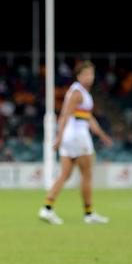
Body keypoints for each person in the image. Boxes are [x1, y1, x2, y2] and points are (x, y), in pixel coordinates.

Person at [39, 61, 113, 225]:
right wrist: (58, 137)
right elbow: (65, 115)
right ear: (79, 76)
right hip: (77, 137)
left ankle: (47, 208)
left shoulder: (81, 93)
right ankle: (88, 213)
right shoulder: (78, 93)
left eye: (91, 74)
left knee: (65, 174)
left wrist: (101, 135)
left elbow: (88, 117)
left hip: (70, 137)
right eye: (86, 74)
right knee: (87, 175)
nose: (90, 77)